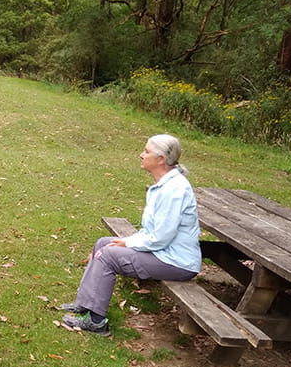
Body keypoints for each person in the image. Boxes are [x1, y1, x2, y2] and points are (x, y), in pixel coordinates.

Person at [60, 134, 201, 336]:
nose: (141, 155)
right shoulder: (164, 185)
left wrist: (127, 244)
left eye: (146, 151)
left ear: (161, 159)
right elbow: (153, 233)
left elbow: (161, 237)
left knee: (108, 256)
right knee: (103, 243)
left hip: (177, 261)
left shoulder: (174, 191)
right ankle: (85, 304)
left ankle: (97, 322)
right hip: (163, 252)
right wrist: (127, 242)